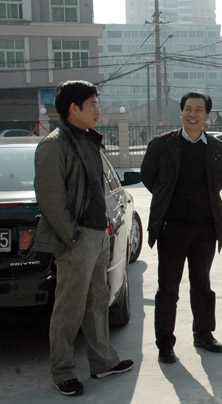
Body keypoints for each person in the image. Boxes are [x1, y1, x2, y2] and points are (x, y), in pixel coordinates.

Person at [33, 80, 133, 396]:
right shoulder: (54, 145)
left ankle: (102, 362)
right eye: (92, 105)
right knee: (69, 308)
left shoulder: (88, 140)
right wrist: (72, 236)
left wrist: (101, 228)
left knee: (97, 302)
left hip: (97, 235)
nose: (97, 111)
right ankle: (62, 371)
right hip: (76, 239)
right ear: (73, 108)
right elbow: (50, 199)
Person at [141, 92, 222, 364]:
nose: (193, 114)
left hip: (205, 230)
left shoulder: (216, 148)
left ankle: (204, 334)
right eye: (188, 109)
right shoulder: (161, 144)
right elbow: (149, 177)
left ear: (207, 116)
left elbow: (219, 182)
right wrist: (169, 200)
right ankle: (165, 344)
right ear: (181, 113)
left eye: (199, 110)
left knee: (202, 285)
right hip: (171, 229)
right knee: (168, 288)